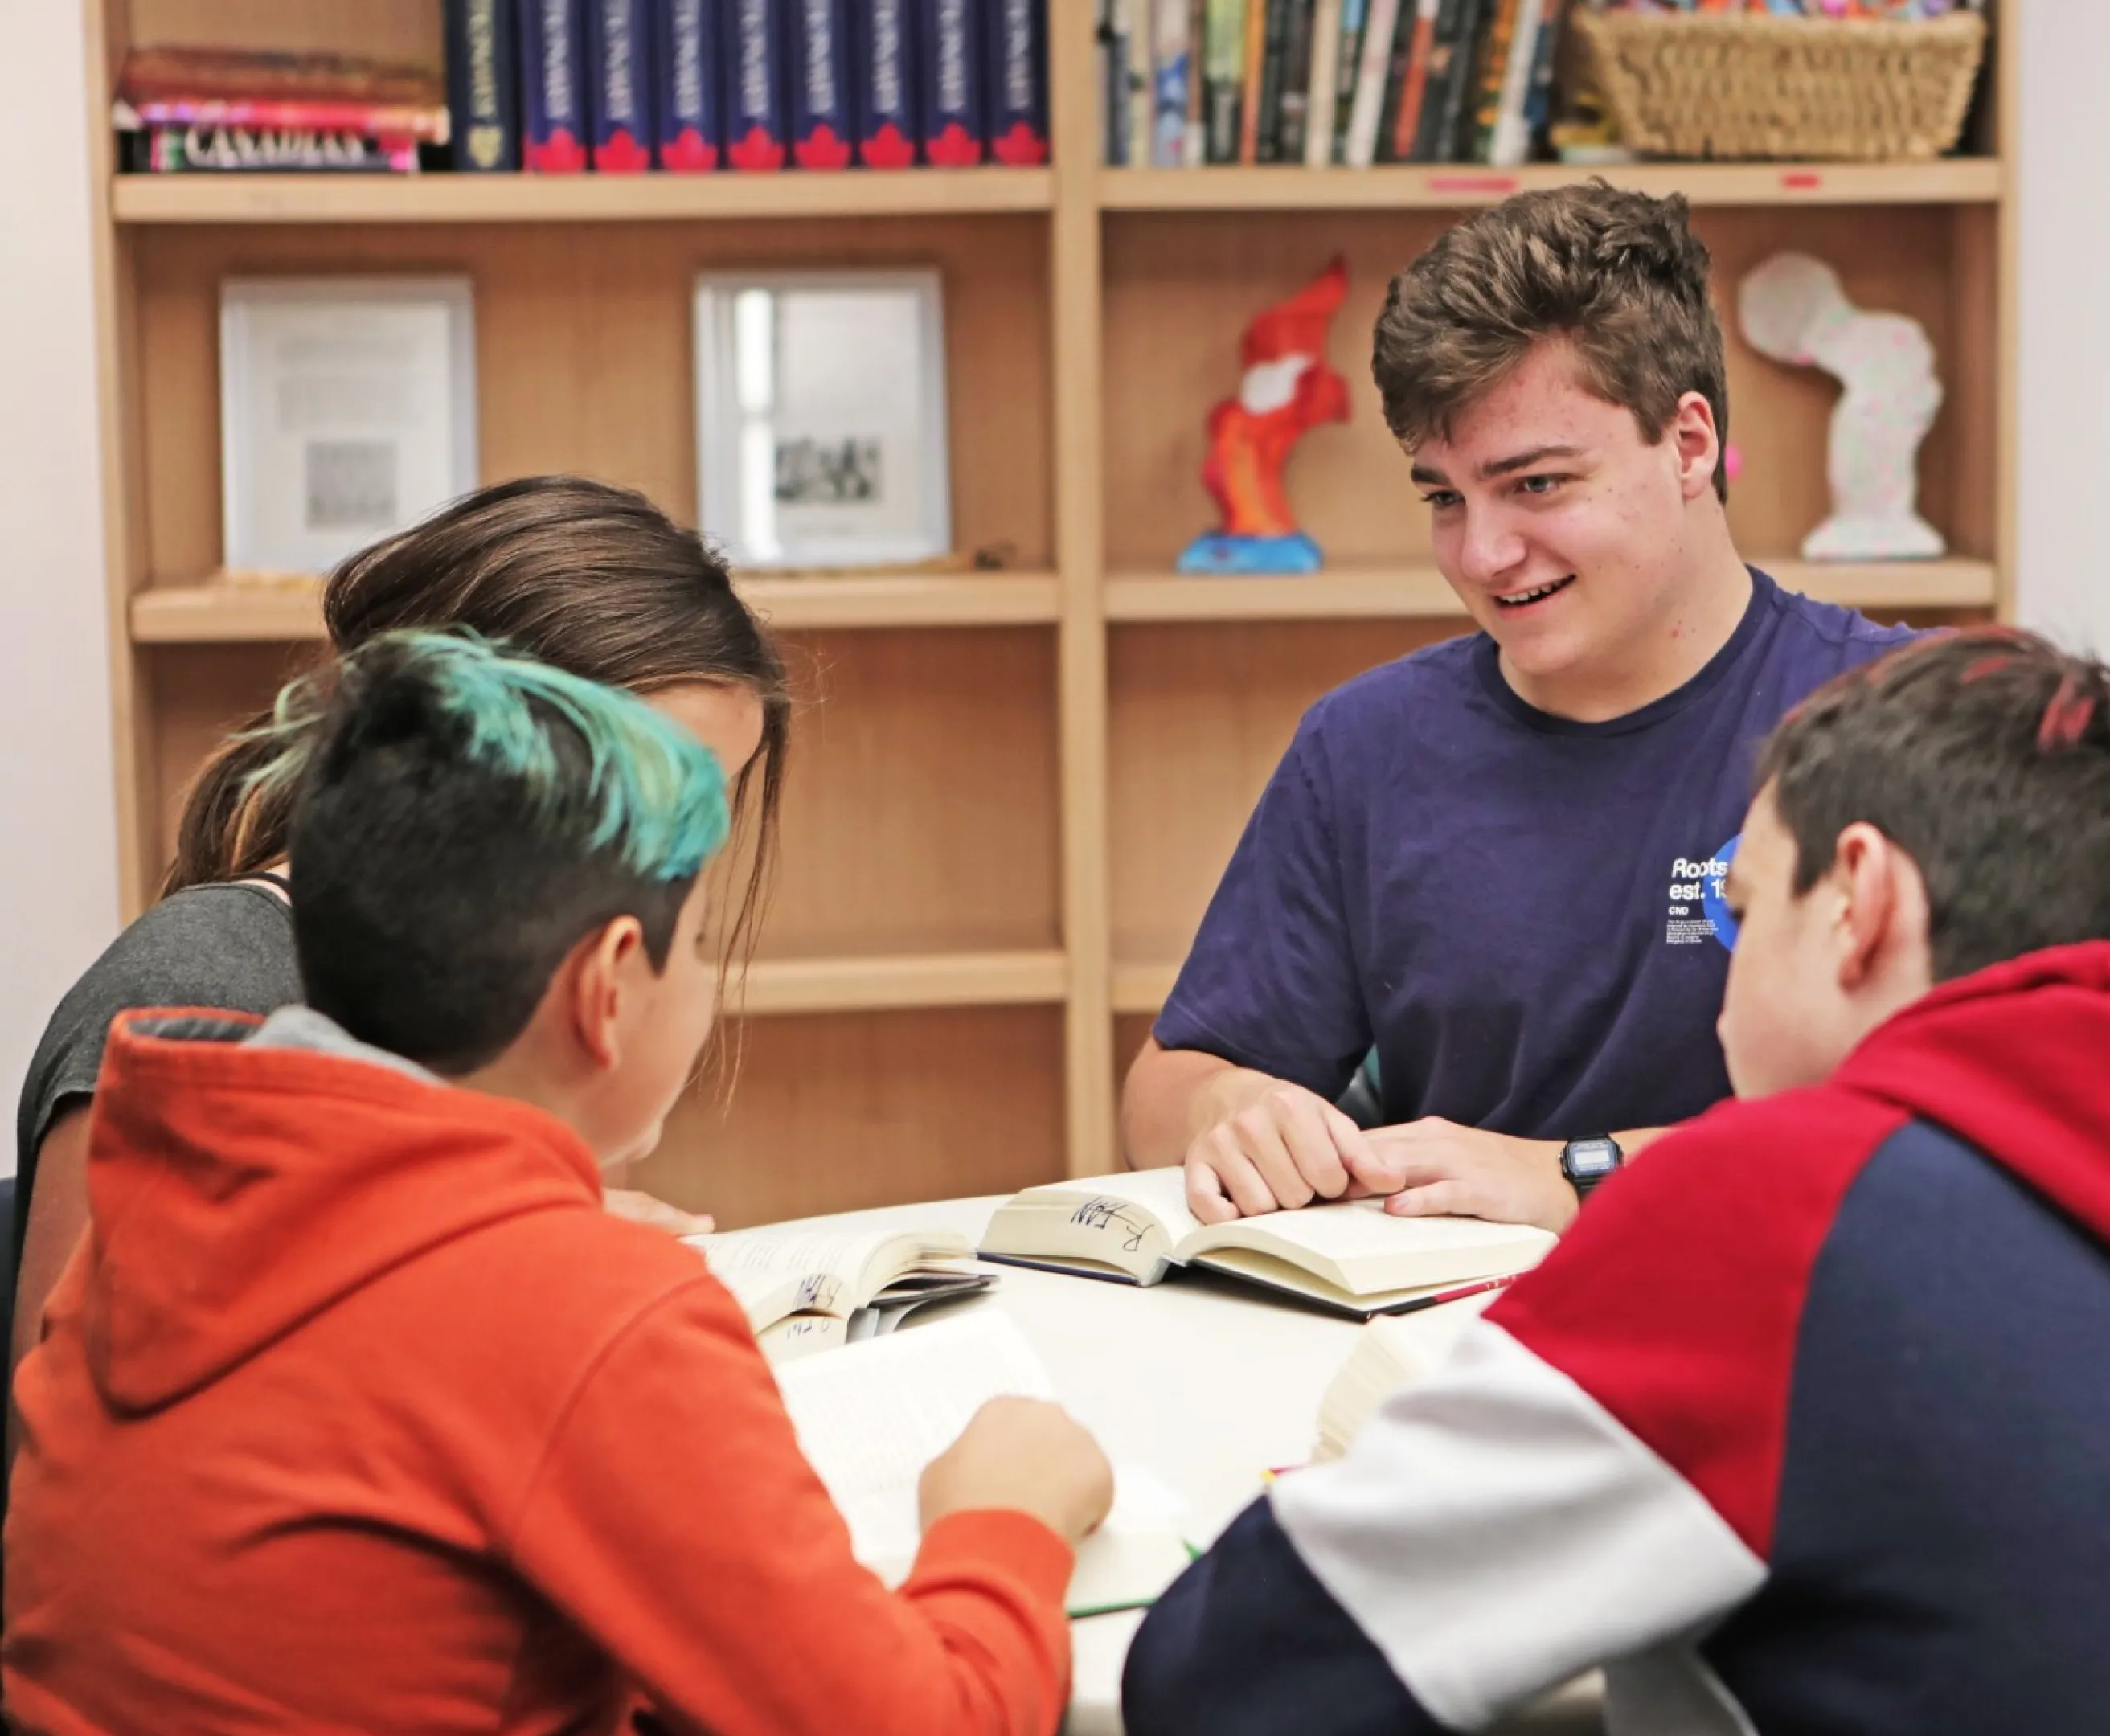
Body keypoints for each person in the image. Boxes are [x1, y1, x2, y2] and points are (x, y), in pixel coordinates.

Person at [1122, 630, 2110, 1735]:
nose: (1718, 991)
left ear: (1860, 897)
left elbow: (1229, 1676)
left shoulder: (1785, 1203)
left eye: (1741, 911)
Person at [2, 630, 1109, 1734]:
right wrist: (1003, 1514)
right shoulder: (583, 1311)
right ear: (608, 986)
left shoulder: (158, 1203)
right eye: (706, 940)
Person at [1118, 182, 1914, 1232]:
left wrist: (1577, 1176)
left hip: (1801, 1336)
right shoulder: (1365, 745)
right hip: (1441, 1349)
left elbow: (1984, 1119)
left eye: (1535, 484)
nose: (1480, 556)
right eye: (1444, 498)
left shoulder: (1910, 729)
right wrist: (1231, 1108)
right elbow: (1163, 1091)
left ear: (1688, 445)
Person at [10, 474, 793, 1378]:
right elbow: (72, 1475)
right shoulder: (184, 1007)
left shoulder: (518, 999)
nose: (676, 870)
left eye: (707, 817)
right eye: (658, 805)